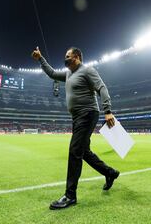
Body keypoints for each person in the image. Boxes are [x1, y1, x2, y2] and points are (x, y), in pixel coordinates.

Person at [31, 46, 120, 210]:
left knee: (74, 151)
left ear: (77, 57)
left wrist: (107, 111)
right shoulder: (68, 73)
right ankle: (110, 173)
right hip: (77, 117)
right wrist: (40, 58)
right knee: (83, 151)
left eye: (68, 56)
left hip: (88, 114)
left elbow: (102, 88)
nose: (65, 58)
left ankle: (70, 195)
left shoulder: (87, 70)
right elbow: (51, 73)